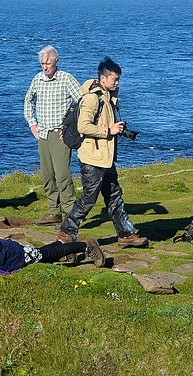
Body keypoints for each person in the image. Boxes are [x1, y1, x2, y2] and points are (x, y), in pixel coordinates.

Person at [57, 57, 148, 249]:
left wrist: (116, 129)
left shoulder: (108, 98)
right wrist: (109, 131)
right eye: (114, 79)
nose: (117, 83)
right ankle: (67, 231)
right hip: (92, 159)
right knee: (89, 198)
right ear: (103, 79)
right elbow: (83, 126)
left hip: (105, 158)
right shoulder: (92, 98)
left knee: (115, 196)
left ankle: (126, 234)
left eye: (118, 79)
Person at [23, 46, 82, 226]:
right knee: (47, 175)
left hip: (60, 134)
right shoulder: (37, 79)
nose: (44, 66)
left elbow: (83, 102)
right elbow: (28, 100)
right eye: (42, 63)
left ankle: (71, 214)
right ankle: (53, 211)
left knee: (62, 174)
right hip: (43, 134)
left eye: (47, 63)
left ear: (56, 62)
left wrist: (73, 128)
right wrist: (32, 123)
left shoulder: (66, 78)